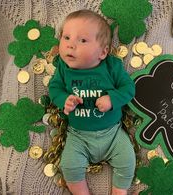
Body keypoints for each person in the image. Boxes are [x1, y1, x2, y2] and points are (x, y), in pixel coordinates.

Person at [48, 9, 136, 195]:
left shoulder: (112, 66)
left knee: (128, 160)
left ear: (103, 52)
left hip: (113, 134)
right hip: (78, 136)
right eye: (66, 37)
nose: (71, 45)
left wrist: (112, 99)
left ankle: (119, 191)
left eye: (82, 40)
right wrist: (65, 99)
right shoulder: (63, 68)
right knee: (69, 165)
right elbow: (54, 89)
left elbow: (128, 89)